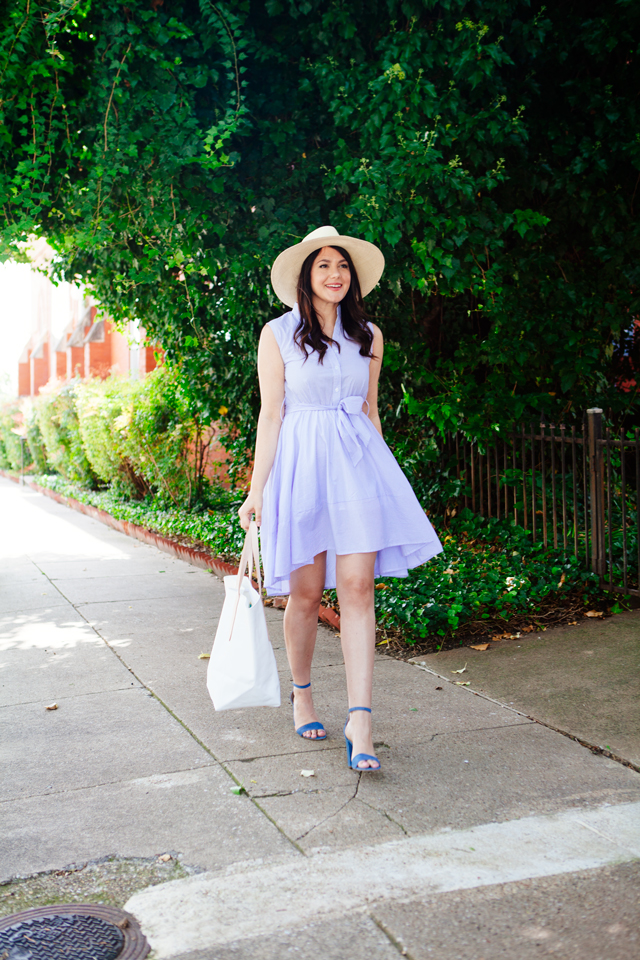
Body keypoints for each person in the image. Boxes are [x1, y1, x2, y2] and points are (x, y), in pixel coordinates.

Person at [238, 226, 442, 771]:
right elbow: (272, 415)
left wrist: (384, 478)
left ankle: (361, 720)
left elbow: (370, 411)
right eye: (324, 265)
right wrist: (257, 491)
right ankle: (302, 692)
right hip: (301, 471)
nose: (335, 274)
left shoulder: (369, 335)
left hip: (357, 469)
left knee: (357, 587)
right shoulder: (277, 334)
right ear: (306, 275)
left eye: (342, 266)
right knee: (305, 595)